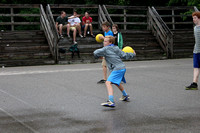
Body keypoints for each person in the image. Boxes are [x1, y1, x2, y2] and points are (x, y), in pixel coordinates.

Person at [94, 36, 136, 107]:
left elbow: (95, 52)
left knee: (108, 82)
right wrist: (133, 54)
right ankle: (125, 95)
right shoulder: (116, 48)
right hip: (122, 67)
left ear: (110, 42)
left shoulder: (105, 49)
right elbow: (124, 55)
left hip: (117, 69)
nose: (104, 42)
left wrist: (98, 56)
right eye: (104, 41)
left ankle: (111, 101)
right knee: (117, 82)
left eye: (105, 41)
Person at [186, 12, 200, 90]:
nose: (193, 20)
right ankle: (194, 84)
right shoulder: (195, 28)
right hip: (196, 51)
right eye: (193, 18)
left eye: (195, 18)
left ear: (199, 18)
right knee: (196, 67)